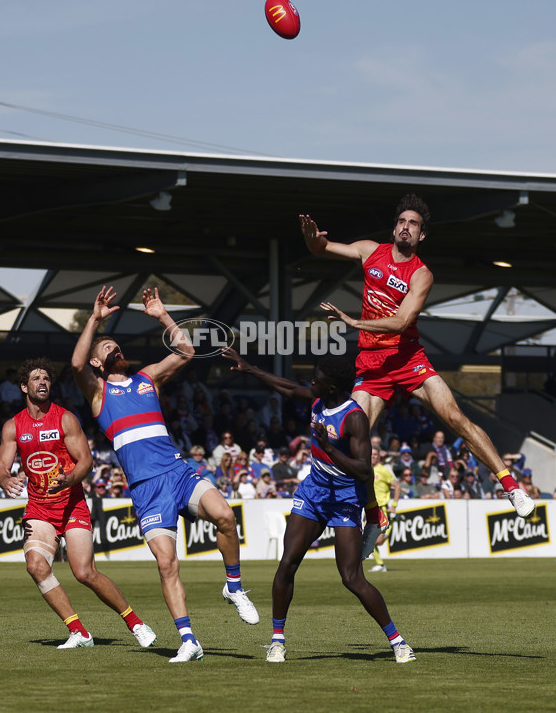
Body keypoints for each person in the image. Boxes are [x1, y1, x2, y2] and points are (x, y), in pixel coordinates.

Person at [301, 195, 534, 519]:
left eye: (413, 223)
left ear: (421, 235)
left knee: (454, 418)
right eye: (402, 221)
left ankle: (511, 486)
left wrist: (355, 322)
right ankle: (374, 516)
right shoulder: (370, 251)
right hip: (372, 362)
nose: (406, 227)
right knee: (356, 439)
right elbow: (322, 250)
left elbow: (401, 322)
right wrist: (312, 240)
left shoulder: (421, 274)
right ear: (394, 227)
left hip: (407, 357)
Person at [71, 286, 259, 663]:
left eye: (116, 347)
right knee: (166, 563)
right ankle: (189, 640)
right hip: (146, 489)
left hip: (177, 471)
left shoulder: (147, 379)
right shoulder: (98, 394)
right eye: (107, 349)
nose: (116, 350)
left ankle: (234, 588)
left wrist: (162, 316)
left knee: (224, 515)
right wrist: (94, 320)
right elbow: (75, 365)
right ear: (97, 363)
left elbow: (186, 352)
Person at [223, 346, 415, 665]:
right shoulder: (317, 400)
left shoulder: (353, 418)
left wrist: (329, 448)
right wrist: (250, 369)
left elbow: (364, 469)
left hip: (343, 499)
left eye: (317, 378)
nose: (311, 381)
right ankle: (277, 641)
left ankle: (398, 642)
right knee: (287, 564)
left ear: (333, 386)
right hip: (313, 493)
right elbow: (287, 387)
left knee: (351, 578)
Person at [0, 357, 156, 650]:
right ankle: (79, 632)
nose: (43, 382)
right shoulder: (13, 426)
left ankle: (136, 623)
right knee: (36, 566)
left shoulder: (65, 418)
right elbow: (1, 468)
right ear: (23, 386)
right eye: (36, 378)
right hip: (39, 508)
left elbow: (86, 461)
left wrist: (69, 479)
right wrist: (5, 480)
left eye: (46, 378)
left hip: (71, 504)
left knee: (84, 573)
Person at [369, 445, 401, 573]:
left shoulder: (383, 470)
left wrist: (394, 505)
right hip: (369, 509)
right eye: (371, 454)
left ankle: (391, 524)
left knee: (377, 541)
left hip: (382, 509)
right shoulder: (365, 470)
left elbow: (397, 486)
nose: (373, 456)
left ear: (379, 456)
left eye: (375, 455)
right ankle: (380, 564)